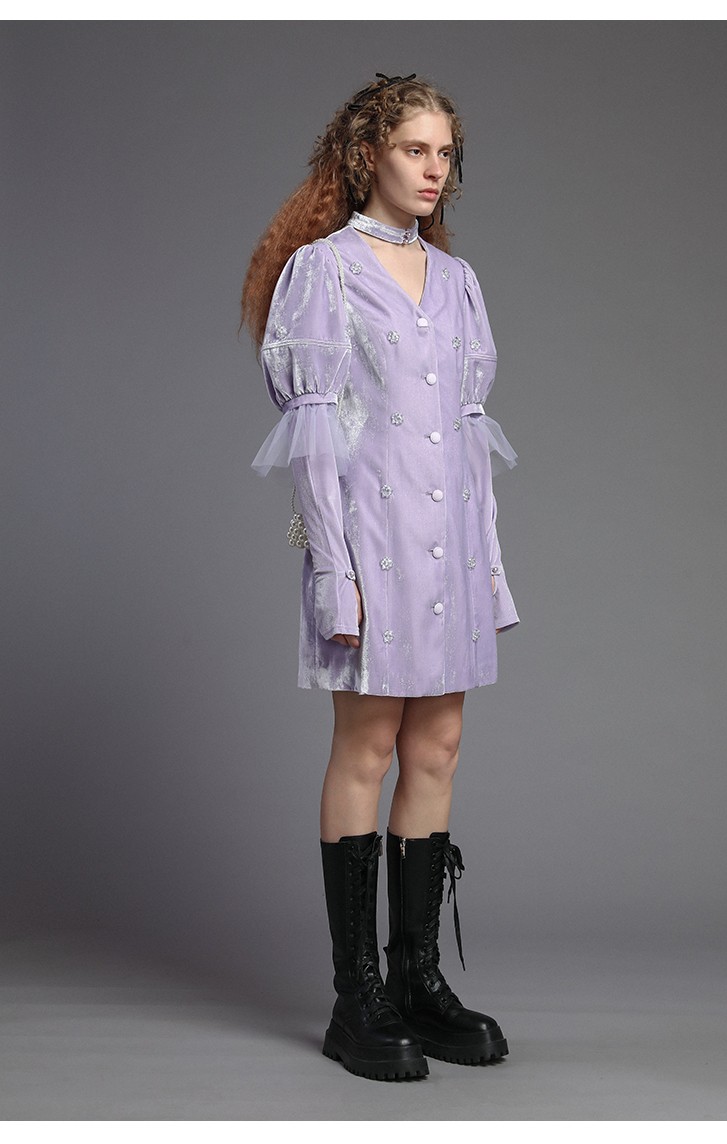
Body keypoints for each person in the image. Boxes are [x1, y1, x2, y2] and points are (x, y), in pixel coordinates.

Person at [241, 73, 519, 1081]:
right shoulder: (322, 271)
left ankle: (415, 979)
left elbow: (470, 438)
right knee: (367, 744)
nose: (434, 169)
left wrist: (491, 566)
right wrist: (333, 569)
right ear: (368, 156)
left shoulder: (457, 281)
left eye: (445, 152)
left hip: (451, 547)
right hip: (371, 544)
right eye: (415, 149)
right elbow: (315, 441)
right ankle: (355, 996)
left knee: (436, 743)